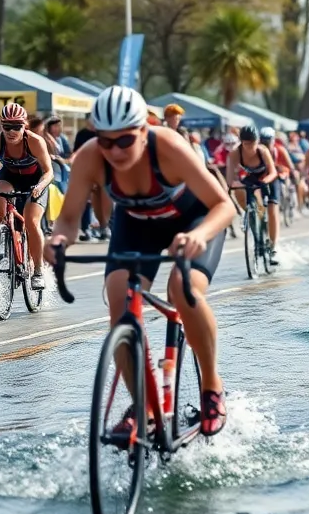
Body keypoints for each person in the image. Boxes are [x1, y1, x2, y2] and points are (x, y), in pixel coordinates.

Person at [47, 86, 236, 436]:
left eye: (125, 140)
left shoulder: (169, 147)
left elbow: (224, 205)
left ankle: (212, 386)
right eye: (106, 141)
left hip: (193, 221)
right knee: (119, 298)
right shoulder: (90, 156)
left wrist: (200, 235)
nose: (115, 151)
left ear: (144, 130)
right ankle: (145, 406)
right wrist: (58, 239)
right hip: (137, 224)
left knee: (182, 289)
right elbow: (69, 218)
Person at [0, 103, 55, 288]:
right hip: (10, 176)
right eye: (7, 126)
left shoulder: (35, 141)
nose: (11, 131)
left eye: (17, 126)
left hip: (35, 179)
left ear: (25, 125)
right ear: (1, 125)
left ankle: (37, 270)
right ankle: (9, 234)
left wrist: (40, 186)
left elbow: (49, 172)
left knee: (32, 222)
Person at [227, 125, 280, 264]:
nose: (250, 147)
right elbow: (230, 179)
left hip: (268, 178)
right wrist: (235, 184)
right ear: (241, 142)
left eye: (253, 143)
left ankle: (273, 247)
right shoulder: (235, 153)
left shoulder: (263, 150)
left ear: (258, 141)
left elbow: (273, 172)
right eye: (246, 144)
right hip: (252, 177)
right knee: (241, 193)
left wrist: (265, 181)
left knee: (272, 209)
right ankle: (253, 218)